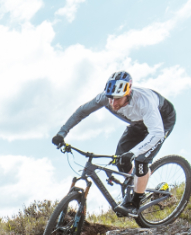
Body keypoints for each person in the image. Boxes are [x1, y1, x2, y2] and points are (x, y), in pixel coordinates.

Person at [51, 71, 177, 215]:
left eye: (117, 99)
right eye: (110, 98)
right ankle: (136, 183)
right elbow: (82, 112)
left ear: (128, 94)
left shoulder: (143, 102)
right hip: (138, 122)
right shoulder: (105, 98)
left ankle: (135, 203)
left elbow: (156, 133)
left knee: (141, 160)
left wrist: (134, 153)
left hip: (162, 122)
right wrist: (62, 133)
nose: (113, 103)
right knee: (121, 160)